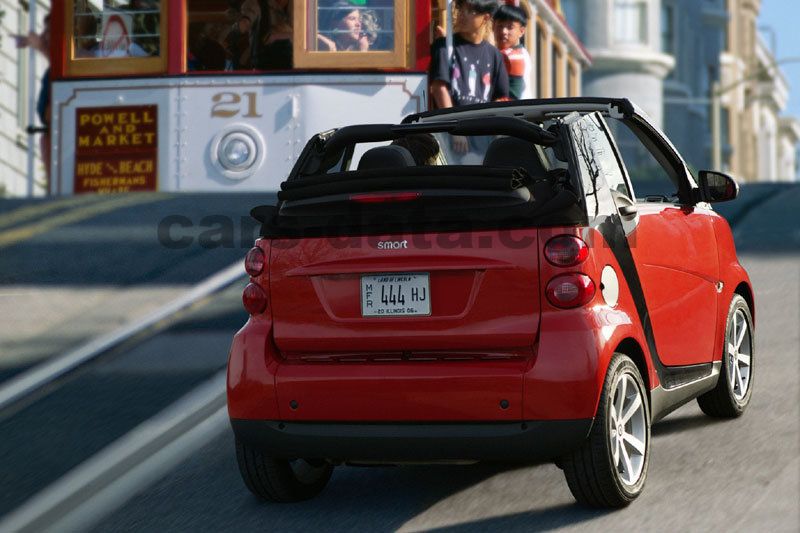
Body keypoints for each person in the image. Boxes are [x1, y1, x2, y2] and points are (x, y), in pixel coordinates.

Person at [429, 0, 509, 155]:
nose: (462, 15)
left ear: (485, 18)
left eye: (469, 11)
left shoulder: (494, 55)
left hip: (483, 139)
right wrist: (454, 128)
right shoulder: (444, 46)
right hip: (451, 138)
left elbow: (500, 99)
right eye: (461, 9)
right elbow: (439, 88)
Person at [14, 14, 52, 184]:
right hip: (50, 136)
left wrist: (40, 46)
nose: (43, 35)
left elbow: (66, 69)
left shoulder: (80, 56)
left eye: (49, 30)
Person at [493, 3, 532, 100]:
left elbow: (512, 97)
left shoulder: (513, 56)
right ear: (493, 26)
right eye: (500, 26)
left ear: (522, 31)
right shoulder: (522, 53)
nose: (504, 31)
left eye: (510, 27)